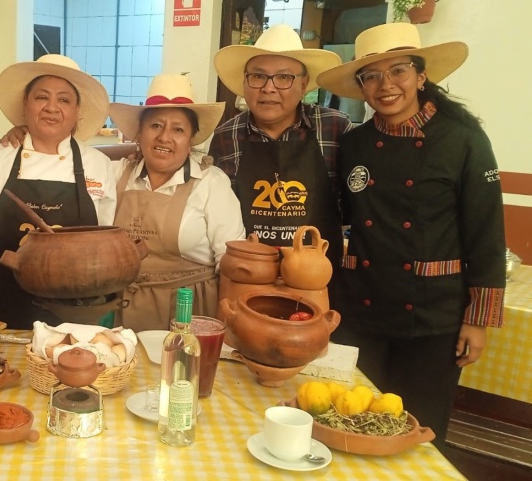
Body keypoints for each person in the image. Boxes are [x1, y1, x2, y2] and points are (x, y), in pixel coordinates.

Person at [316, 23, 506, 449]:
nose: (386, 85)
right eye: (372, 76)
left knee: (419, 434)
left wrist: (477, 320)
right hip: (360, 312)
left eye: (398, 71)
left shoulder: (463, 140)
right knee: (349, 423)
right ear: (361, 87)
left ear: (421, 76)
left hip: (432, 320)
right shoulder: (355, 144)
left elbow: (487, 235)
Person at [0, 54, 117, 329]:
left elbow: (104, 247)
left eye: (64, 100)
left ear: (77, 111)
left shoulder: (98, 164)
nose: (51, 108)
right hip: (2, 308)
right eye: (42, 97)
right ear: (25, 105)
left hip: (75, 314)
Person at [208, 25, 351, 272]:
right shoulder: (225, 136)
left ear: (303, 85)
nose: (269, 88)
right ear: (245, 81)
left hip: (318, 278)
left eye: (284, 77)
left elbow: (356, 204)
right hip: (248, 276)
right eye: (258, 76)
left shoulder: (335, 128)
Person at [108, 74, 245, 331]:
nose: (164, 137)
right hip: (120, 315)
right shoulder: (115, 175)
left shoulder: (211, 183)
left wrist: (223, 330)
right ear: (139, 133)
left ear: (191, 139)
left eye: (178, 129)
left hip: (188, 314)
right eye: (155, 125)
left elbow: (231, 264)